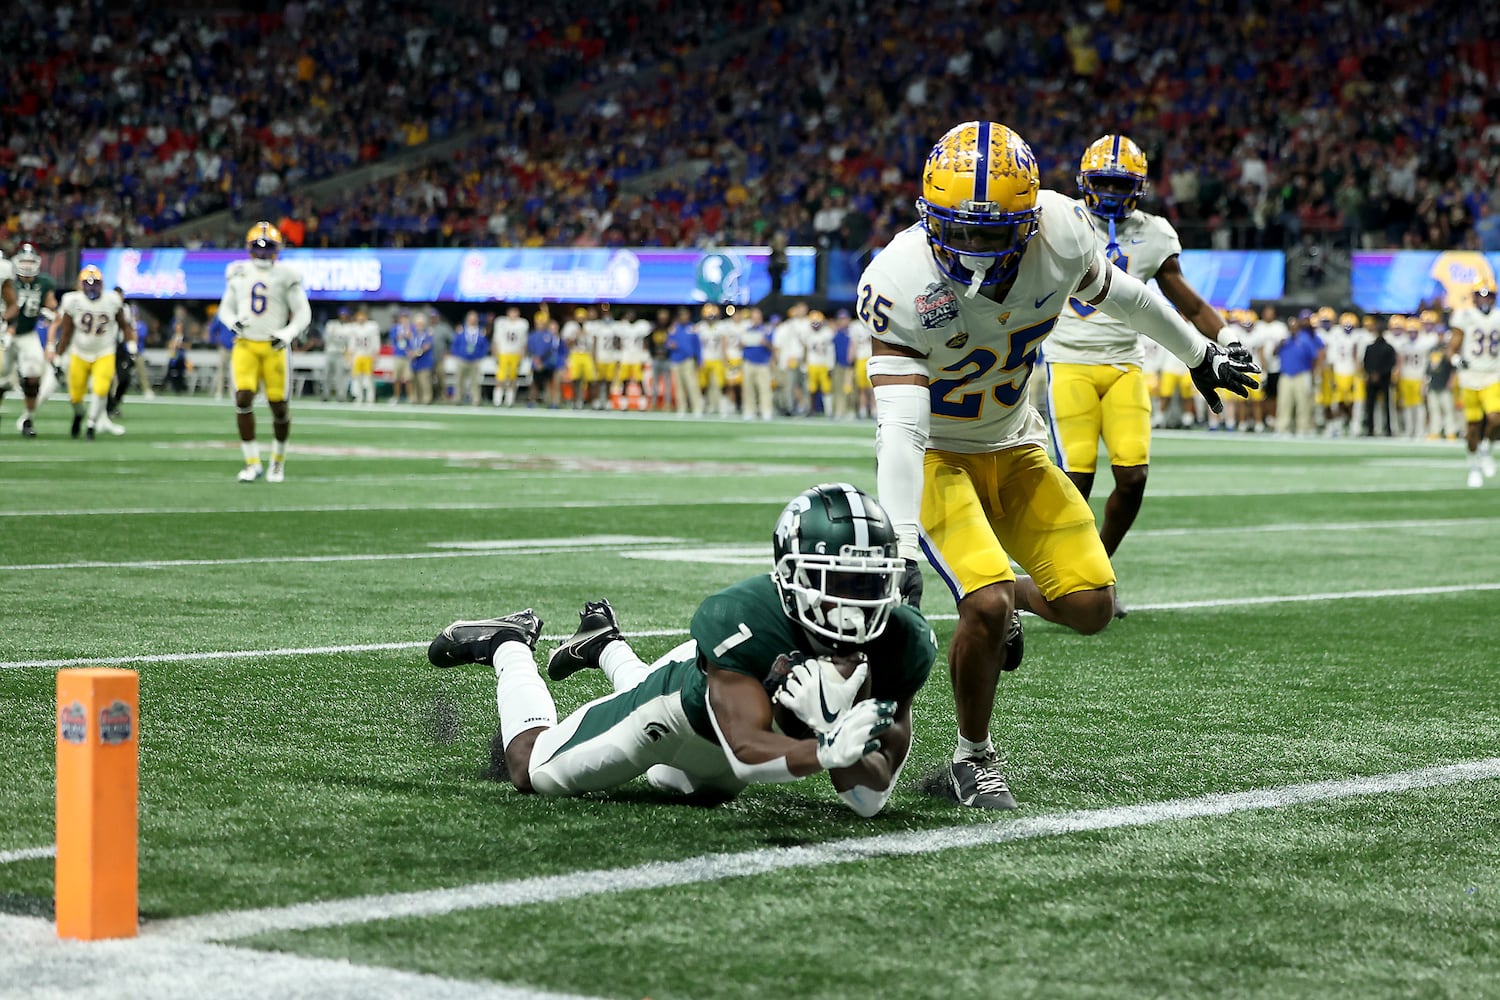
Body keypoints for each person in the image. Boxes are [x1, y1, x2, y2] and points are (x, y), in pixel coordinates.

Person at [860, 121, 1257, 810]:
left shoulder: (1064, 231)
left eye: (994, 233)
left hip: (1016, 445)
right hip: (939, 456)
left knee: (1091, 606)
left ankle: (1002, 598)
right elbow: (900, 427)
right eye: (962, 231)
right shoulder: (897, 279)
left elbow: (1127, 297)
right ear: (928, 217)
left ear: (1029, 217)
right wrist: (899, 546)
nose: (977, 250)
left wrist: (1199, 353)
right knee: (978, 604)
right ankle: (971, 757)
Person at [427, 484, 933, 815]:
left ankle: (603, 645)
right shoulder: (745, 617)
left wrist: (831, 732)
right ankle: (508, 644)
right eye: (836, 582)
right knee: (531, 769)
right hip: (674, 712)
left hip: (726, 756)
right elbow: (746, 752)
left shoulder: (902, 640)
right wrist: (824, 745)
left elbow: (869, 795)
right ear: (789, 578)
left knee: (678, 786)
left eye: (869, 584)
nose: (852, 606)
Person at [1044, 135, 1228, 617]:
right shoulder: (1063, 221)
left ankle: (1094, 571)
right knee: (1075, 478)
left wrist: (1226, 342)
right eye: (1101, 181)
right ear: (1085, 181)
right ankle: (1066, 575)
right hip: (1068, 361)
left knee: (1133, 476)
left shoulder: (1155, 233)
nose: (1108, 191)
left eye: (1118, 183)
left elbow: (1186, 301)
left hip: (1125, 362)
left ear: (1138, 187)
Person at [216, 222, 311, 482]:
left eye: (268, 246)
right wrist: (231, 321)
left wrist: (288, 333)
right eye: (258, 246)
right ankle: (252, 462)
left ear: (277, 249)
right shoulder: (238, 273)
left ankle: (278, 462)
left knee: (278, 406)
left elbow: (303, 312)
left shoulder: (286, 274)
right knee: (243, 398)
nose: (263, 252)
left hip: (274, 346)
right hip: (246, 344)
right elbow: (225, 308)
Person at [47, 265, 135, 440]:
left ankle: (91, 425)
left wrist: (131, 347)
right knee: (75, 397)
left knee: (101, 388)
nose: (92, 287)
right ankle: (79, 415)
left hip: (104, 350)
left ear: (102, 284)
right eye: (88, 283)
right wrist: (58, 356)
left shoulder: (112, 300)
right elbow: (66, 332)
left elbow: (124, 325)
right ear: (81, 285)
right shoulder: (73, 301)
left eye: (95, 283)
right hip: (79, 351)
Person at [1448, 284, 1500, 488]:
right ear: (1475, 298)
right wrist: (1456, 361)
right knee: (1472, 427)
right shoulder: (1465, 317)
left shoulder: (1498, 316)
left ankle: (1486, 448)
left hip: (1493, 375)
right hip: (1470, 377)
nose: (1485, 301)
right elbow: (1452, 347)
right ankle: (1474, 466)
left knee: (1495, 417)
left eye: (1489, 297)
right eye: (1481, 297)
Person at [3, 244, 53, 437]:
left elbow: (50, 303)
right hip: (4, 333)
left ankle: (28, 419)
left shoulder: (44, 282)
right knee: (1, 377)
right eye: (23, 261)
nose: (27, 265)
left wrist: (51, 311)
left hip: (27, 334)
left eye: (30, 261)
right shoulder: (9, 282)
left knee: (33, 375)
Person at [1276, 315, 1324, 437]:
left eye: (1294, 326)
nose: (1292, 329)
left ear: (1298, 327)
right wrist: (1279, 344)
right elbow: (1274, 353)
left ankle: (1303, 428)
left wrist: (1314, 373)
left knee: (1303, 403)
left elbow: (1314, 357)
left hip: (1302, 374)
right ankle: (1282, 428)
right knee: (1284, 403)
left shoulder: (1305, 339)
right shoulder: (1284, 340)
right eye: (1290, 327)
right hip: (1286, 374)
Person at [1362, 319, 1397, 437]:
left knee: (1385, 406)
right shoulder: (1372, 347)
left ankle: (1386, 429)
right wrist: (1373, 373)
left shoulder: (1387, 348)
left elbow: (1391, 364)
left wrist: (1376, 374)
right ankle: (1372, 428)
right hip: (1378, 378)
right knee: (1371, 406)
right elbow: (1365, 362)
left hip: (1383, 379)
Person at [667, 307, 703, 416]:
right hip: (676, 360)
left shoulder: (692, 328)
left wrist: (699, 359)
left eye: (685, 315)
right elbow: (667, 342)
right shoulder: (674, 328)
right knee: (678, 386)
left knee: (692, 385)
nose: (683, 317)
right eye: (681, 315)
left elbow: (698, 345)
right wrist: (670, 345)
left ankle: (697, 408)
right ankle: (681, 408)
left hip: (688, 360)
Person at [490, 305, 528, 407]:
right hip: (503, 352)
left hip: (515, 353)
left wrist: (522, 354)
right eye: (512, 312)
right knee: (500, 377)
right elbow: (495, 340)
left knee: (512, 378)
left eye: (515, 312)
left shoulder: (522, 324)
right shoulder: (501, 322)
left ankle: (509, 400)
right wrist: (495, 354)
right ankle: (497, 400)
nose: (513, 315)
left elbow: (523, 342)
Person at [449, 311, 489, 406]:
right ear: (467, 319)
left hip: (475, 360)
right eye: (471, 319)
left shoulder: (480, 332)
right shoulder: (461, 330)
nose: (472, 321)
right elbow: (454, 344)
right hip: (462, 359)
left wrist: (480, 356)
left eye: (474, 319)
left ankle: (476, 400)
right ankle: (457, 399)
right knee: (459, 380)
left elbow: (485, 346)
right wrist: (457, 355)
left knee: (475, 381)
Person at [346, 307, 382, 404]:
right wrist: (349, 355)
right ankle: (359, 397)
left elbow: (375, 341)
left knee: (368, 378)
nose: (360, 319)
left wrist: (376, 353)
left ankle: (370, 398)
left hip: (368, 355)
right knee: (357, 378)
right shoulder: (354, 328)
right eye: (359, 317)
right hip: (357, 356)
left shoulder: (372, 327)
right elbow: (351, 343)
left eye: (362, 317)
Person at [321, 307, 353, 402]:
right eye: (342, 314)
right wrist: (339, 338)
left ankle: (341, 395)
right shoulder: (332, 324)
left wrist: (338, 338)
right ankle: (325, 395)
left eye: (345, 315)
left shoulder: (349, 327)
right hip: (330, 352)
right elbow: (327, 337)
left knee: (340, 376)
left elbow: (347, 340)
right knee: (327, 375)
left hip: (341, 353)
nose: (343, 316)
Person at [408, 312, 436, 405]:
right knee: (413, 381)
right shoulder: (412, 334)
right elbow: (408, 345)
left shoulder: (428, 333)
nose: (419, 325)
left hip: (424, 362)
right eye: (417, 323)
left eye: (421, 324)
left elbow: (427, 345)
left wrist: (417, 353)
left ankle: (427, 399)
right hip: (414, 362)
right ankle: (414, 398)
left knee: (424, 382)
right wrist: (410, 352)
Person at [388, 310, 415, 405]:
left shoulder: (412, 328)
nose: (404, 319)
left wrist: (410, 336)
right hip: (398, 355)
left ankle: (410, 397)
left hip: (407, 357)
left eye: (406, 317)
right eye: (403, 317)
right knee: (396, 378)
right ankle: (396, 397)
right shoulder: (395, 328)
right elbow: (392, 338)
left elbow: (416, 340)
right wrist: (400, 336)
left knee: (408, 378)